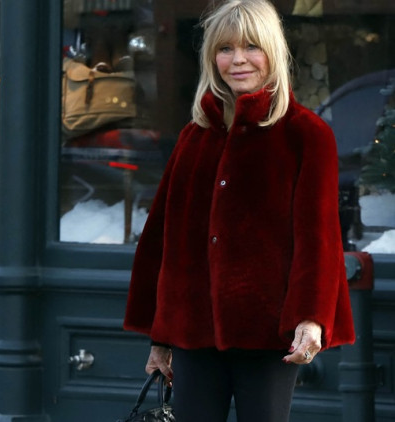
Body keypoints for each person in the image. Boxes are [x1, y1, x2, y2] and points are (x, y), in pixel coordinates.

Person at [123, 1, 355, 421]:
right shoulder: (195, 136)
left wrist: (311, 319)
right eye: (226, 49)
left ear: (272, 52)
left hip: (268, 333)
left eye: (252, 47)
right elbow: (165, 242)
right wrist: (160, 337)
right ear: (212, 57)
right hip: (194, 332)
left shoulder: (305, 134)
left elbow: (318, 236)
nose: (239, 59)